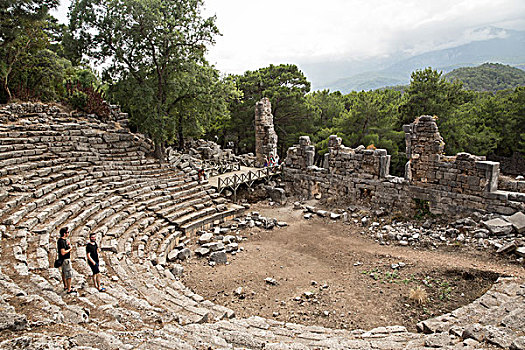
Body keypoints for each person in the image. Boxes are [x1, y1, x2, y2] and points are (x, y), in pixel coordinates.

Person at [57, 227, 75, 294]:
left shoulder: (62, 240)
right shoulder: (61, 242)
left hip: (63, 259)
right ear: (64, 233)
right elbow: (63, 252)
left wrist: (68, 244)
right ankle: (69, 289)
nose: (68, 233)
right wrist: (70, 249)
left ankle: (66, 286)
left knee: (64, 273)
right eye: (67, 232)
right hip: (65, 260)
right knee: (68, 274)